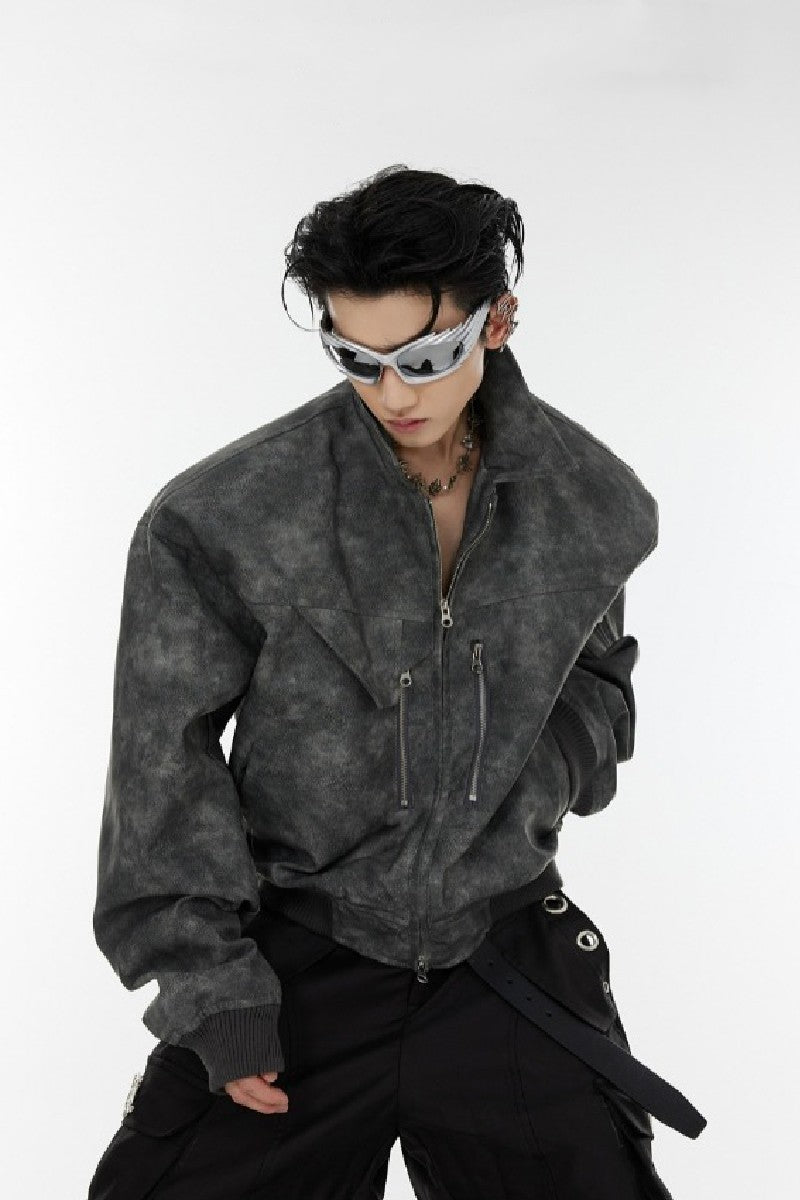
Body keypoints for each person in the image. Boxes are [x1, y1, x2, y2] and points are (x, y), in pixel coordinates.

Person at [87, 165, 682, 1198]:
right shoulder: (226, 515)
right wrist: (211, 988)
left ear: (498, 321)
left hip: (504, 957)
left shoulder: (588, 502)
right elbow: (161, 763)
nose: (394, 394)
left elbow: (599, 685)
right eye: (356, 359)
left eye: (425, 356)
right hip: (294, 966)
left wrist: (536, 778)